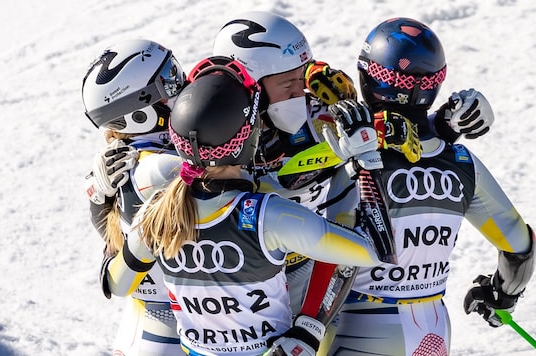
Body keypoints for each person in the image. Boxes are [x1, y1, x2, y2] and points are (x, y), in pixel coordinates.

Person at [211, 9, 496, 318]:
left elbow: (371, 144)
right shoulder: (212, 124)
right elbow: (268, 185)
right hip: (229, 283)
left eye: (301, 77)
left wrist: (441, 125)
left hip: (301, 269)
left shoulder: (312, 109)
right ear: (249, 85)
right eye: (287, 84)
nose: (300, 93)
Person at [105, 58, 391, 356]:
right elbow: (374, 250)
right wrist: (365, 162)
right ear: (249, 139)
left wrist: (101, 201)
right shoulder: (270, 216)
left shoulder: (157, 213)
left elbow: (117, 285)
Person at [322, 18, 536, 355]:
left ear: (367, 78)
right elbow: (519, 245)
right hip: (432, 324)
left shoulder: (347, 152)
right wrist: (502, 295)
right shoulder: (462, 163)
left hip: (359, 322)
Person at [81, 38, 188, 356]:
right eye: (169, 80)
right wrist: (99, 195)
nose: (181, 86)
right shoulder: (143, 167)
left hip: (203, 318)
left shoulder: (160, 148)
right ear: (139, 112)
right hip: (163, 326)